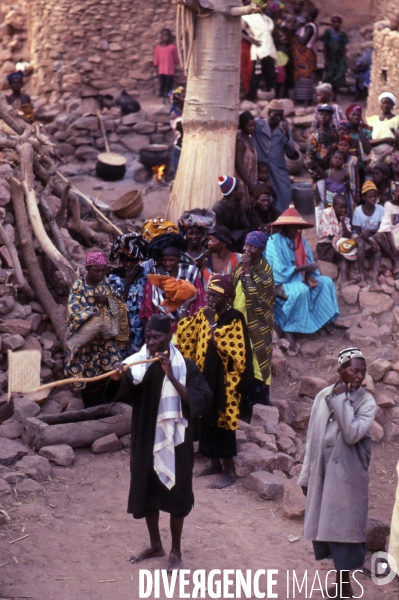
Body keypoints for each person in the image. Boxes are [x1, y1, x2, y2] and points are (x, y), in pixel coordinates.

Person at [106, 314, 212, 573]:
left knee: (177, 494)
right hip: (145, 435)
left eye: (157, 337)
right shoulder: (137, 364)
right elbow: (113, 394)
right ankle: (155, 544)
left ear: (169, 337)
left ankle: (175, 550)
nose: (151, 341)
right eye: (148, 336)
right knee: (148, 489)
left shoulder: (185, 367)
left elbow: (201, 401)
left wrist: (171, 376)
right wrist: (118, 377)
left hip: (175, 440)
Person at [298, 348, 375, 600]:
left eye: (363, 371)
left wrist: (341, 400)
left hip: (348, 476)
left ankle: (346, 587)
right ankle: (342, 586)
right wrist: (306, 474)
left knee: (345, 532)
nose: (359, 376)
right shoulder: (322, 396)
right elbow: (312, 437)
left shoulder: (366, 402)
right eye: (354, 370)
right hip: (322, 472)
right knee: (327, 529)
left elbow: (352, 433)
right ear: (340, 370)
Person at [177, 275, 253, 489]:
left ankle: (229, 471)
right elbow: (186, 333)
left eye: (215, 295)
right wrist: (186, 307)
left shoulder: (234, 317)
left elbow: (232, 348)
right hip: (205, 375)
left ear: (227, 297)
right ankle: (213, 463)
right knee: (206, 417)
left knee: (224, 420)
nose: (209, 298)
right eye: (208, 294)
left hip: (226, 381)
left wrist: (212, 322)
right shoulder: (204, 313)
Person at [266, 208, 339, 351]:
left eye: (296, 226)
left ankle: (324, 320)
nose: (294, 230)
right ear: (283, 226)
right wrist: (302, 269)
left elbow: (308, 260)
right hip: (282, 281)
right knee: (300, 291)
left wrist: (310, 274)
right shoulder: (273, 242)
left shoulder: (301, 239)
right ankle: (289, 329)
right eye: (290, 226)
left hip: (301, 276)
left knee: (326, 283)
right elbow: (279, 271)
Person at [65, 251, 129, 408]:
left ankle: (107, 407)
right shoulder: (79, 287)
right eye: (96, 270)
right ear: (88, 268)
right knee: (89, 378)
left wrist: (108, 301)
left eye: (103, 270)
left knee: (109, 372)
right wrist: (91, 314)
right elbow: (74, 311)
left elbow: (120, 306)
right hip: (86, 343)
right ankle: (91, 410)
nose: (101, 274)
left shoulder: (106, 284)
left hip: (105, 341)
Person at [233, 231, 275, 408]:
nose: (247, 249)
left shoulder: (265, 270)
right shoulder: (240, 266)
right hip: (239, 318)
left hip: (257, 323)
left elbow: (256, 297)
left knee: (257, 358)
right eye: (246, 245)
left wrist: (248, 269)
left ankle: (259, 400)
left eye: (252, 246)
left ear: (262, 248)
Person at [140, 232, 205, 332]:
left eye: (171, 260)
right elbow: (149, 302)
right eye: (164, 260)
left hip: (188, 325)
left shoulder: (190, 272)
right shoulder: (156, 273)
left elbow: (199, 300)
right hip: (161, 326)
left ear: (179, 258)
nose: (167, 263)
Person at [108, 233, 149, 356]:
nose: (128, 264)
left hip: (141, 328)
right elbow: (115, 305)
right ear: (120, 260)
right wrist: (128, 283)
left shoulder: (145, 276)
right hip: (121, 327)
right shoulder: (114, 277)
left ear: (138, 260)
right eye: (125, 260)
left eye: (132, 260)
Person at [252, 99, 296, 213]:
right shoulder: (258, 124)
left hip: (278, 170)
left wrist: (286, 135)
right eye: (275, 115)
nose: (277, 119)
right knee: (262, 198)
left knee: (284, 198)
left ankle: (283, 226)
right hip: (261, 170)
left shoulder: (284, 129)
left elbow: (291, 152)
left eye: (280, 116)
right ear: (268, 113)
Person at [316, 194, 356, 291]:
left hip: (337, 244)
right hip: (325, 246)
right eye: (341, 207)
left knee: (352, 248)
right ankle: (346, 278)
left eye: (345, 207)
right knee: (345, 251)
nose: (344, 210)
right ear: (334, 206)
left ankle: (346, 277)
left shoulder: (345, 217)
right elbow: (331, 236)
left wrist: (342, 221)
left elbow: (347, 236)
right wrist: (344, 246)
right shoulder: (327, 213)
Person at [352, 181, 383, 290]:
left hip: (372, 236)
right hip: (360, 236)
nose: (373, 199)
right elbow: (359, 232)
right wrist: (371, 242)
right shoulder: (358, 211)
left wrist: (371, 234)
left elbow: (380, 228)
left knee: (378, 252)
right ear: (364, 197)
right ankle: (361, 276)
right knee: (361, 244)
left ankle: (375, 282)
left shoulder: (380, 209)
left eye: (375, 196)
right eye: (370, 196)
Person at [306, 104, 339, 205]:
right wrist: (324, 174)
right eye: (320, 114)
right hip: (319, 175)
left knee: (333, 202)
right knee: (320, 204)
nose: (323, 117)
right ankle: (319, 221)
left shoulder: (335, 134)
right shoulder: (314, 136)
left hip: (334, 174)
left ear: (331, 117)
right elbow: (310, 160)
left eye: (326, 114)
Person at [242, 10, 277, 101]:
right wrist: (250, 39)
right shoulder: (247, 17)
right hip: (259, 50)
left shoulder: (267, 18)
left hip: (270, 49)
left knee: (271, 75)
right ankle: (251, 98)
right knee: (256, 76)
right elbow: (237, 29)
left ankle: (272, 100)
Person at [212, 176, 250, 252]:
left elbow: (245, 227)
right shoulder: (218, 208)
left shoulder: (238, 205)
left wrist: (233, 237)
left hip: (235, 240)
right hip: (222, 243)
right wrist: (229, 238)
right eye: (239, 188)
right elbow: (217, 232)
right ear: (233, 192)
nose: (242, 191)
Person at [290, 7, 318, 106]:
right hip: (304, 56)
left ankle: (305, 100)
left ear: (309, 16)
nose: (304, 15)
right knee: (302, 76)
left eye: (306, 13)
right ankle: (302, 99)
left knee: (304, 76)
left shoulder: (310, 27)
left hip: (305, 56)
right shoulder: (308, 26)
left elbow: (303, 41)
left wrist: (295, 31)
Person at [235, 111, 258, 220]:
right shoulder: (240, 143)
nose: (252, 128)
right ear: (243, 126)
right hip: (243, 183)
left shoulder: (250, 140)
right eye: (249, 126)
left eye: (254, 125)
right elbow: (239, 165)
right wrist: (249, 184)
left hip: (250, 183)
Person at [374, 184, 399, 277]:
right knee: (377, 236)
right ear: (393, 192)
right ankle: (395, 260)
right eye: (397, 191)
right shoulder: (388, 205)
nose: (398, 194)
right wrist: (393, 247)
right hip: (391, 236)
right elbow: (386, 228)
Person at [367, 92, 399, 165]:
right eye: (383, 103)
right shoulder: (373, 120)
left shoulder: (397, 120)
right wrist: (385, 140)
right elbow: (369, 141)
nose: (386, 105)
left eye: (389, 103)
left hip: (392, 156)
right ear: (380, 103)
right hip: (376, 155)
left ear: (393, 105)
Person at [321, 15, 349, 98]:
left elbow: (344, 48)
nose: (336, 24)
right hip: (330, 59)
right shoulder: (328, 33)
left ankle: (335, 97)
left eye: (337, 22)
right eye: (334, 22)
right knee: (329, 77)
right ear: (332, 23)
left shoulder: (343, 35)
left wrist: (344, 60)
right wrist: (326, 60)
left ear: (340, 23)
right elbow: (325, 47)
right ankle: (327, 96)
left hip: (339, 59)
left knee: (338, 78)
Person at [345, 104, 373, 184]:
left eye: (358, 115)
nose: (356, 117)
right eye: (353, 114)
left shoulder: (365, 131)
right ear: (348, 115)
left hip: (362, 166)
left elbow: (368, 150)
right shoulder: (344, 131)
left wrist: (360, 130)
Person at [153, 29, 179, 100]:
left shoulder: (172, 47)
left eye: (167, 35)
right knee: (162, 84)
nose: (166, 37)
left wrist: (176, 62)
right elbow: (156, 58)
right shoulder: (158, 47)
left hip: (170, 69)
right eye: (164, 35)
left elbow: (175, 58)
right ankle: (161, 96)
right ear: (161, 36)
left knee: (169, 83)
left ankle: (169, 97)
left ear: (170, 36)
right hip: (161, 69)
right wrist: (156, 65)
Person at [169, 86, 185, 173]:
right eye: (183, 97)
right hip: (180, 151)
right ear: (177, 100)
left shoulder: (185, 112)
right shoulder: (174, 115)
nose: (186, 99)